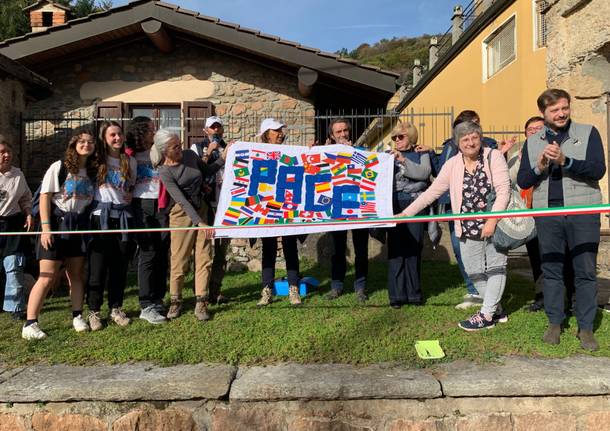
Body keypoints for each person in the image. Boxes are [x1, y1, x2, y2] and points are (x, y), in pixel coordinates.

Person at [517, 88, 606, 351]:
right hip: (549, 216)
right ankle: (555, 322)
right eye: (554, 110)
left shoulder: (588, 132)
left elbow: (598, 169)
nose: (561, 113)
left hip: (583, 213)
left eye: (564, 108)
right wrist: (540, 166)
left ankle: (586, 327)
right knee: (552, 270)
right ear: (543, 113)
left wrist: (566, 161)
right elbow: (523, 180)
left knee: (586, 271)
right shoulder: (533, 142)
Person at [400, 121, 510, 331]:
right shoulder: (453, 164)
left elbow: (504, 190)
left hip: (494, 224)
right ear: (458, 143)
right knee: (473, 270)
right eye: (465, 139)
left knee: (496, 267)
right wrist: (406, 213)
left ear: (481, 138)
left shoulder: (493, 156)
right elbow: (432, 192)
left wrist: (493, 220)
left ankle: (486, 315)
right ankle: (495, 309)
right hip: (467, 226)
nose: (470, 142)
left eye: (474, 137)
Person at [416, 110, 498, 310]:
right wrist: (429, 153)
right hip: (454, 207)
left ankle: (490, 295)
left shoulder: (489, 145)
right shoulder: (449, 146)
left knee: (487, 253)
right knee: (460, 249)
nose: (469, 136)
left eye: (473, 124)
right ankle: (473, 289)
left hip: (482, 208)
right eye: (463, 124)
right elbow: (440, 172)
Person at [22, 131, 96, 340]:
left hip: (79, 224)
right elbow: (45, 197)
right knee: (47, 275)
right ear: (73, 145)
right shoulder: (59, 167)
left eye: (90, 142)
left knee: (76, 274)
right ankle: (30, 323)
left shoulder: (91, 171)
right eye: (82, 141)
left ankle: (77, 316)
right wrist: (46, 228)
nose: (86, 145)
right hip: (56, 224)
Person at [152, 129, 224, 321]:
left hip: (201, 208)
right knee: (179, 259)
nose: (180, 149)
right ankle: (176, 301)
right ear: (164, 151)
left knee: (205, 256)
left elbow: (207, 170)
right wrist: (199, 223)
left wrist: (223, 158)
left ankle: (201, 300)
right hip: (181, 214)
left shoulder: (191, 155)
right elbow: (181, 201)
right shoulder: (165, 171)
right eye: (175, 147)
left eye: (179, 143)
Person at [87, 121, 137, 331]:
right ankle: (94, 311)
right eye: (112, 135)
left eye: (119, 134)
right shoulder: (97, 160)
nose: (117, 138)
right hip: (101, 217)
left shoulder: (130, 161)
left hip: (122, 217)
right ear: (104, 139)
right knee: (98, 266)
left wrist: (129, 195)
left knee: (119, 266)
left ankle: (116, 307)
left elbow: (131, 187)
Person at [255, 118, 302, 306]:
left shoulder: (290, 152)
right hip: (266, 207)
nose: (281, 133)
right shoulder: (256, 153)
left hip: (287, 206)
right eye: (276, 130)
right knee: (268, 248)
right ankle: (267, 290)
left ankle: (294, 289)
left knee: (290, 246)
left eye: (281, 130)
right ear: (266, 134)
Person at [126, 117, 169, 325]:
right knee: (148, 252)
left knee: (162, 251)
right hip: (140, 205)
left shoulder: (160, 152)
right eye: (151, 129)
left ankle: (158, 298)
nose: (155, 132)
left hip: (161, 205)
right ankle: (146, 304)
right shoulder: (129, 154)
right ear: (140, 132)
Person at [386, 122, 431, 308]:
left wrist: (403, 159)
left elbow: (424, 173)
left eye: (401, 137)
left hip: (416, 205)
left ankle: (414, 294)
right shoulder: (386, 157)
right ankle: (396, 296)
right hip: (394, 206)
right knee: (396, 251)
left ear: (411, 137)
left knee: (413, 249)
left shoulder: (422, 153)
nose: (397, 140)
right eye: (394, 137)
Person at [325, 118, 368, 302]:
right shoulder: (325, 153)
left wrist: (351, 152)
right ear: (332, 136)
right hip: (337, 208)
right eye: (338, 132)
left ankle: (360, 287)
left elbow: (369, 167)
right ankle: (336, 285)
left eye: (345, 130)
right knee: (338, 249)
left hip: (358, 208)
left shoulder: (361, 151)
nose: (342, 134)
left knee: (361, 249)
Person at [190, 116, 230, 304]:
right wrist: (209, 153)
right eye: (212, 128)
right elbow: (196, 173)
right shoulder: (195, 149)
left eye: (218, 127)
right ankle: (201, 291)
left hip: (225, 205)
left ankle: (215, 290)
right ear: (205, 130)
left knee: (222, 251)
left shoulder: (230, 148)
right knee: (203, 251)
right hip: (205, 205)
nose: (215, 130)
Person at [0, 137, 32, 322]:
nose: (6, 155)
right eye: (2, 152)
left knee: (14, 266)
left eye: (8, 152)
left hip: (12, 224)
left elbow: (25, 198)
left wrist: (28, 213)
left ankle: (16, 308)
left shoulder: (18, 175)